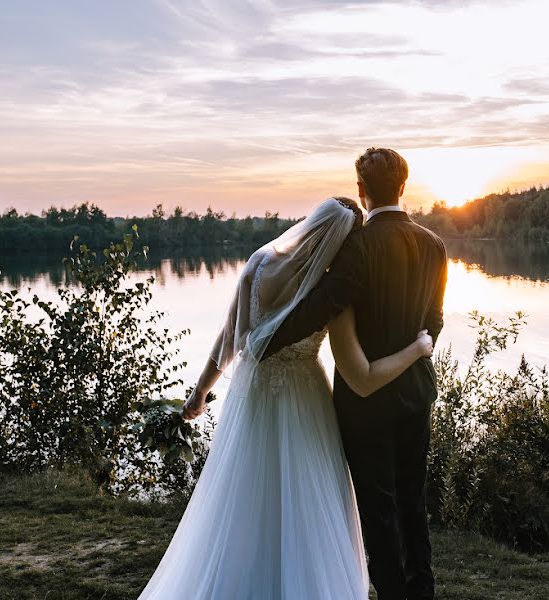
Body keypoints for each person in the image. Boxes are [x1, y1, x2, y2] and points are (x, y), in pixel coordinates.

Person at [138, 195, 434, 600]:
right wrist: (416, 347)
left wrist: (201, 391)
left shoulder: (258, 264)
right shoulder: (332, 291)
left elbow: (229, 337)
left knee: (243, 492)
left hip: (252, 393)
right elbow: (358, 370)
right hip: (305, 397)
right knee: (310, 497)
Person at [264, 148, 448, 600]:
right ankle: (421, 591)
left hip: (365, 404)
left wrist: (265, 337)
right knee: (412, 500)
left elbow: (322, 305)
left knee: (377, 506)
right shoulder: (435, 245)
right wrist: (416, 352)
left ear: (362, 191)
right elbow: (435, 320)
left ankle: (391, 592)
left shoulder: (358, 247)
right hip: (415, 394)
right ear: (403, 187)